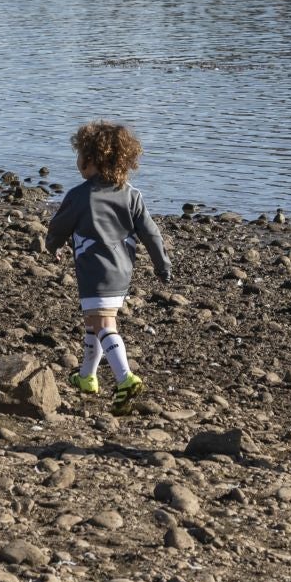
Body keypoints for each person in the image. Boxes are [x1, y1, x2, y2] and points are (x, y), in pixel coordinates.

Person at [44, 121, 172, 415]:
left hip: (94, 273)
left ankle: (125, 378)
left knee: (103, 326)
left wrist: (52, 246)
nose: (77, 162)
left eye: (79, 156)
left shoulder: (79, 195)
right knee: (93, 323)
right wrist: (161, 264)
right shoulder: (131, 195)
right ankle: (87, 376)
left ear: (91, 160)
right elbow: (151, 233)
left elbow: (59, 226)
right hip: (121, 273)